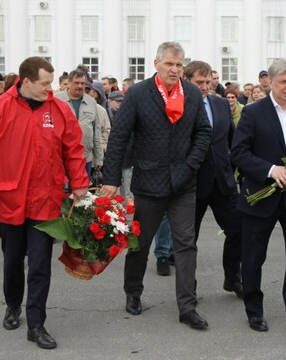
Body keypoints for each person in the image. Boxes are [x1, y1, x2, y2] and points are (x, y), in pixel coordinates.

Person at [0, 57, 89, 350]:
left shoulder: (58, 110)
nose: (50, 89)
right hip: (9, 199)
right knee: (12, 261)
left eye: (51, 83)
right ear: (26, 81)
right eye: (45, 83)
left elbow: (73, 148)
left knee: (40, 264)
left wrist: (80, 183)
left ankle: (36, 323)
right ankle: (12, 305)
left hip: (46, 200)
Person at [100, 42, 212, 330]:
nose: (175, 70)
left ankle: (187, 306)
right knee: (141, 242)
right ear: (156, 64)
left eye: (179, 65)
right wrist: (111, 178)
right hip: (149, 182)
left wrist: (191, 165)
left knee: (186, 245)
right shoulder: (138, 93)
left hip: (184, 182)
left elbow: (203, 133)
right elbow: (119, 136)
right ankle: (133, 292)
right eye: (169, 64)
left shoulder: (191, 94)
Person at [230, 58, 286, 339]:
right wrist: (271, 170)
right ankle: (254, 310)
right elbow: (239, 153)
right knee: (254, 257)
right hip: (260, 197)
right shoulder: (253, 113)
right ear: (269, 81)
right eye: (283, 82)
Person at [184, 60, 244, 298]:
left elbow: (232, 141)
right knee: (189, 240)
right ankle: (189, 286)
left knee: (238, 230)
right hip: (192, 184)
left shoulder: (220, 105)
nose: (204, 86)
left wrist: (239, 169)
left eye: (208, 82)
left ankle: (233, 278)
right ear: (186, 81)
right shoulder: (179, 106)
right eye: (199, 82)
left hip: (223, 182)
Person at [55, 69, 104, 183]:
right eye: (76, 83)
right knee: (64, 195)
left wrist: (99, 158)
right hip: (62, 158)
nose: (80, 86)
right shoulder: (57, 100)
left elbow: (96, 131)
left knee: (84, 195)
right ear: (69, 82)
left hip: (85, 157)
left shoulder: (91, 102)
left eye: (82, 83)